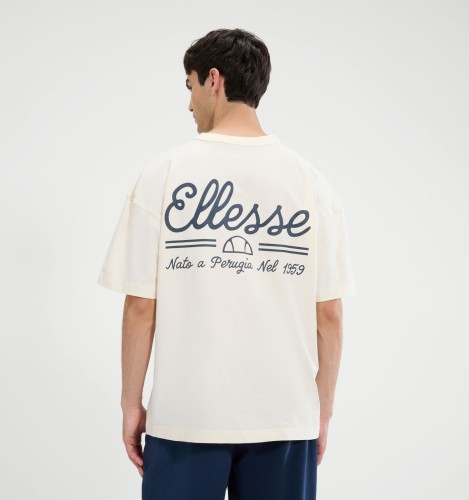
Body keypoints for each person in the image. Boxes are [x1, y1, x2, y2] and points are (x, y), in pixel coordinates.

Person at [97, 27, 356, 500]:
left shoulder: (163, 174)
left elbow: (140, 306)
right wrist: (322, 411)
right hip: (284, 416)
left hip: (186, 416)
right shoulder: (312, 184)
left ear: (213, 80)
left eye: (190, 86)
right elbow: (330, 314)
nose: (189, 103)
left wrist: (130, 404)